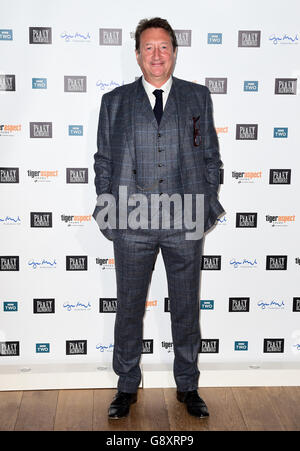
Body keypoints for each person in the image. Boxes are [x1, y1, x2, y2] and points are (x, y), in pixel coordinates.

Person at [93, 17, 224, 419]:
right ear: (137, 54)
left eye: (163, 47)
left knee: (186, 307)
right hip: (130, 222)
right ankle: (126, 386)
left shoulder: (197, 98)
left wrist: (205, 203)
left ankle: (188, 386)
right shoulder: (114, 102)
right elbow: (104, 160)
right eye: (148, 47)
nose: (156, 54)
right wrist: (107, 208)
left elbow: (210, 158)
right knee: (129, 308)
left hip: (185, 221)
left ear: (174, 53)